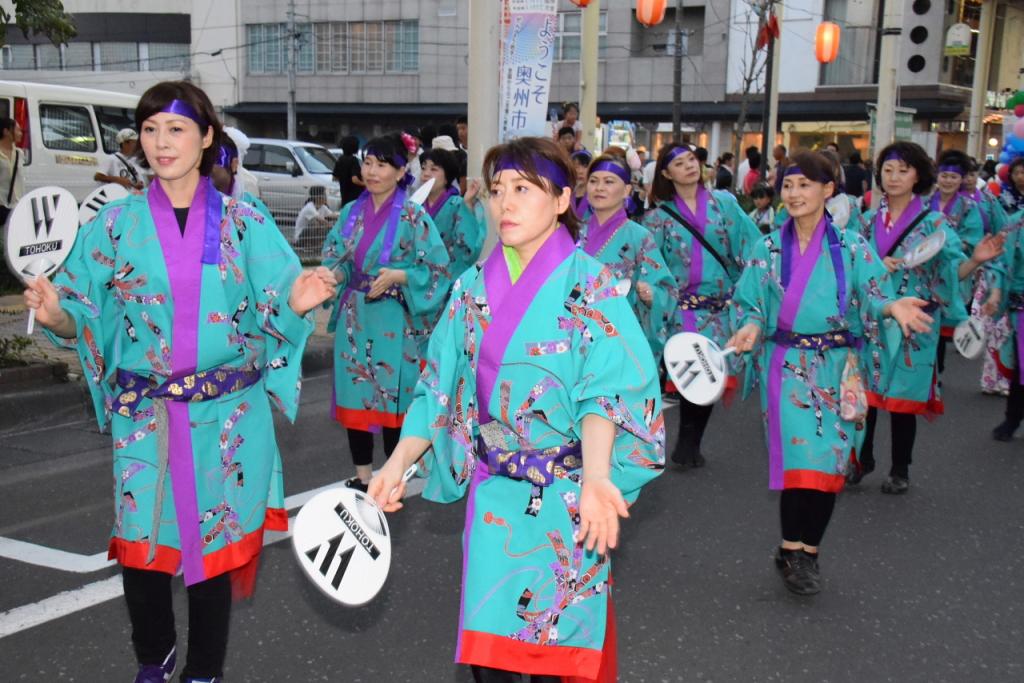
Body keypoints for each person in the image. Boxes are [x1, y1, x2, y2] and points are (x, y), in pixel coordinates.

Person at [23, 80, 336, 683]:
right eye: (150, 130)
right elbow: (79, 311)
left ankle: (204, 670)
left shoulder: (244, 221)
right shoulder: (115, 224)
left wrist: (301, 300)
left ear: (206, 137)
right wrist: (57, 313)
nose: (161, 143)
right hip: (147, 414)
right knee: (141, 549)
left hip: (227, 417)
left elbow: (281, 296)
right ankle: (155, 655)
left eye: (176, 129)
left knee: (211, 556)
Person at [368, 136, 665, 682]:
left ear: (560, 201)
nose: (505, 203)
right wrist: (396, 463)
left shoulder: (592, 287)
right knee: (490, 660)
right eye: (499, 190)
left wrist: (598, 476)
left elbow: (606, 392)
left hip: (569, 501)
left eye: (524, 189)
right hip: (496, 496)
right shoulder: (470, 289)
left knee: (553, 657)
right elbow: (439, 389)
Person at [729, 152, 932, 595]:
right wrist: (748, 324)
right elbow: (749, 303)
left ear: (828, 190)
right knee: (801, 461)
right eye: (788, 185)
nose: (795, 194)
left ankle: (807, 550)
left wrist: (892, 306)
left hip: (839, 369)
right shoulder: (766, 248)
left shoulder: (853, 247)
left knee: (832, 464)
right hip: (787, 367)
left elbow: (875, 292)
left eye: (805, 184)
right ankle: (794, 552)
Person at [849, 142, 1003, 493]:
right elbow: (850, 268)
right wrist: (873, 266)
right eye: (888, 170)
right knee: (867, 398)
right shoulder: (867, 219)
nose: (894, 177)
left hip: (916, 324)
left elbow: (952, 273)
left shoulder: (935, 223)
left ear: (918, 175)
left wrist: (976, 259)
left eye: (903, 170)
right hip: (874, 320)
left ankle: (900, 467)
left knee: (905, 399)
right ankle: (861, 459)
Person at [322, 134, 451, 492]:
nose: (372, 171)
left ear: (399, 172)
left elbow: (437, 268)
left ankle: (394, 477)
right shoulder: (351, 213)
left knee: (396, 401)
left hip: (396, 318)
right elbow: (338, 256)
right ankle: (363, 477)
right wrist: (333, 274)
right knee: (356, 395)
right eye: (368, 163)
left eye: (382, 164)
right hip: (356, 316)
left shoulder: (413, 215)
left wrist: (400, 275)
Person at [643, 142, 761, 468]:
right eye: (679, 163)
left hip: (719, 308)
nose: (689, 167)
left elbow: (751, 245)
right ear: (667, 173)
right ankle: (687, 443)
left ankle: (690, 441)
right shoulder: (658, 217)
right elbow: (652, 264)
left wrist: (753, 280)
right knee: (689, 374)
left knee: (711, 374)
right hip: (680, 309)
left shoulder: (724, 205)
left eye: (692, 160)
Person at [580, 153, 676, 360]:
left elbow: (666, 290)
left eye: (609, 182)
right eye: (594, 181)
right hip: (574, 336)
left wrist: (651, 294)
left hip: (618, 341)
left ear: (626, 190)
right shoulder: (572, 233)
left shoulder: (639, 237)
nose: (599, 187)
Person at [930, 149, 988, 376]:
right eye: (944, 175)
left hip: (954, 267)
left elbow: (973, 239)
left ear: (961, 179)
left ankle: (938, 369)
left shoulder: (969, 207)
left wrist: (950, 243)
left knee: (942, 319)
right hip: (925, 267)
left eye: (953, 177)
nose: (948, 181)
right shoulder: (925, 202)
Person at [963, 157, 1011, 395]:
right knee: (981, 321)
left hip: (990, 266)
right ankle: (991, 377)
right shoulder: (946, 204)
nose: (969, 179)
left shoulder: (989, 201)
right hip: (962, 264)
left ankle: (1001, 377)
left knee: (996, 325)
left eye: (972, 174)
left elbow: (1002, 230)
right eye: (965, 174)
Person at [419, 146, 485, 279]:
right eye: (423, 168)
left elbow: (469, 245)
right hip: (420, 277)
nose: (426, 173)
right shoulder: (416, 206)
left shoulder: (458, 205)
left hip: (450, 276)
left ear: (447, 177)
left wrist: (467, 204)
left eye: (433, 169)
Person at [773, 150, 861, 232]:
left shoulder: (848, 204)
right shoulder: (793, 206)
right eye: (787, 186)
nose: (793, 193)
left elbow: (857, 232)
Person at [294, 185, 338, 250]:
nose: (326, 197)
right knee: (316, 223)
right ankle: (308, 245)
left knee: (331, 224)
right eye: (325, 195)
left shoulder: (323, 207)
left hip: (311, 237)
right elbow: (321, 221)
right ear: (318, 197)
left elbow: (332, 215)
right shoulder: (309, 207)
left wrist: (342, 215)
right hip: (300, 238)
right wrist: (335, 229)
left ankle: (315, 244)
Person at [0, 116, 25, 224]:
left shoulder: (20, 153)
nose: (21, 133)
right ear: (6, 132)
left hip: (16, 206)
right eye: (18, 130)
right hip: (1, 206)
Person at [332, 135, 365, 207]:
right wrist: (364, 184)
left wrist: (344, 179)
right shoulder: (353, 160)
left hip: (344, 195)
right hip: (355, 196)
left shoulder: (340, 159)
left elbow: (334, 178)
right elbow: (354, 179)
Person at [570, 149, 593, 218]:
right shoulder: (566, 194)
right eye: (576, 167)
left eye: (585, 167)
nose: (580, 171)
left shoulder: (595, 195)